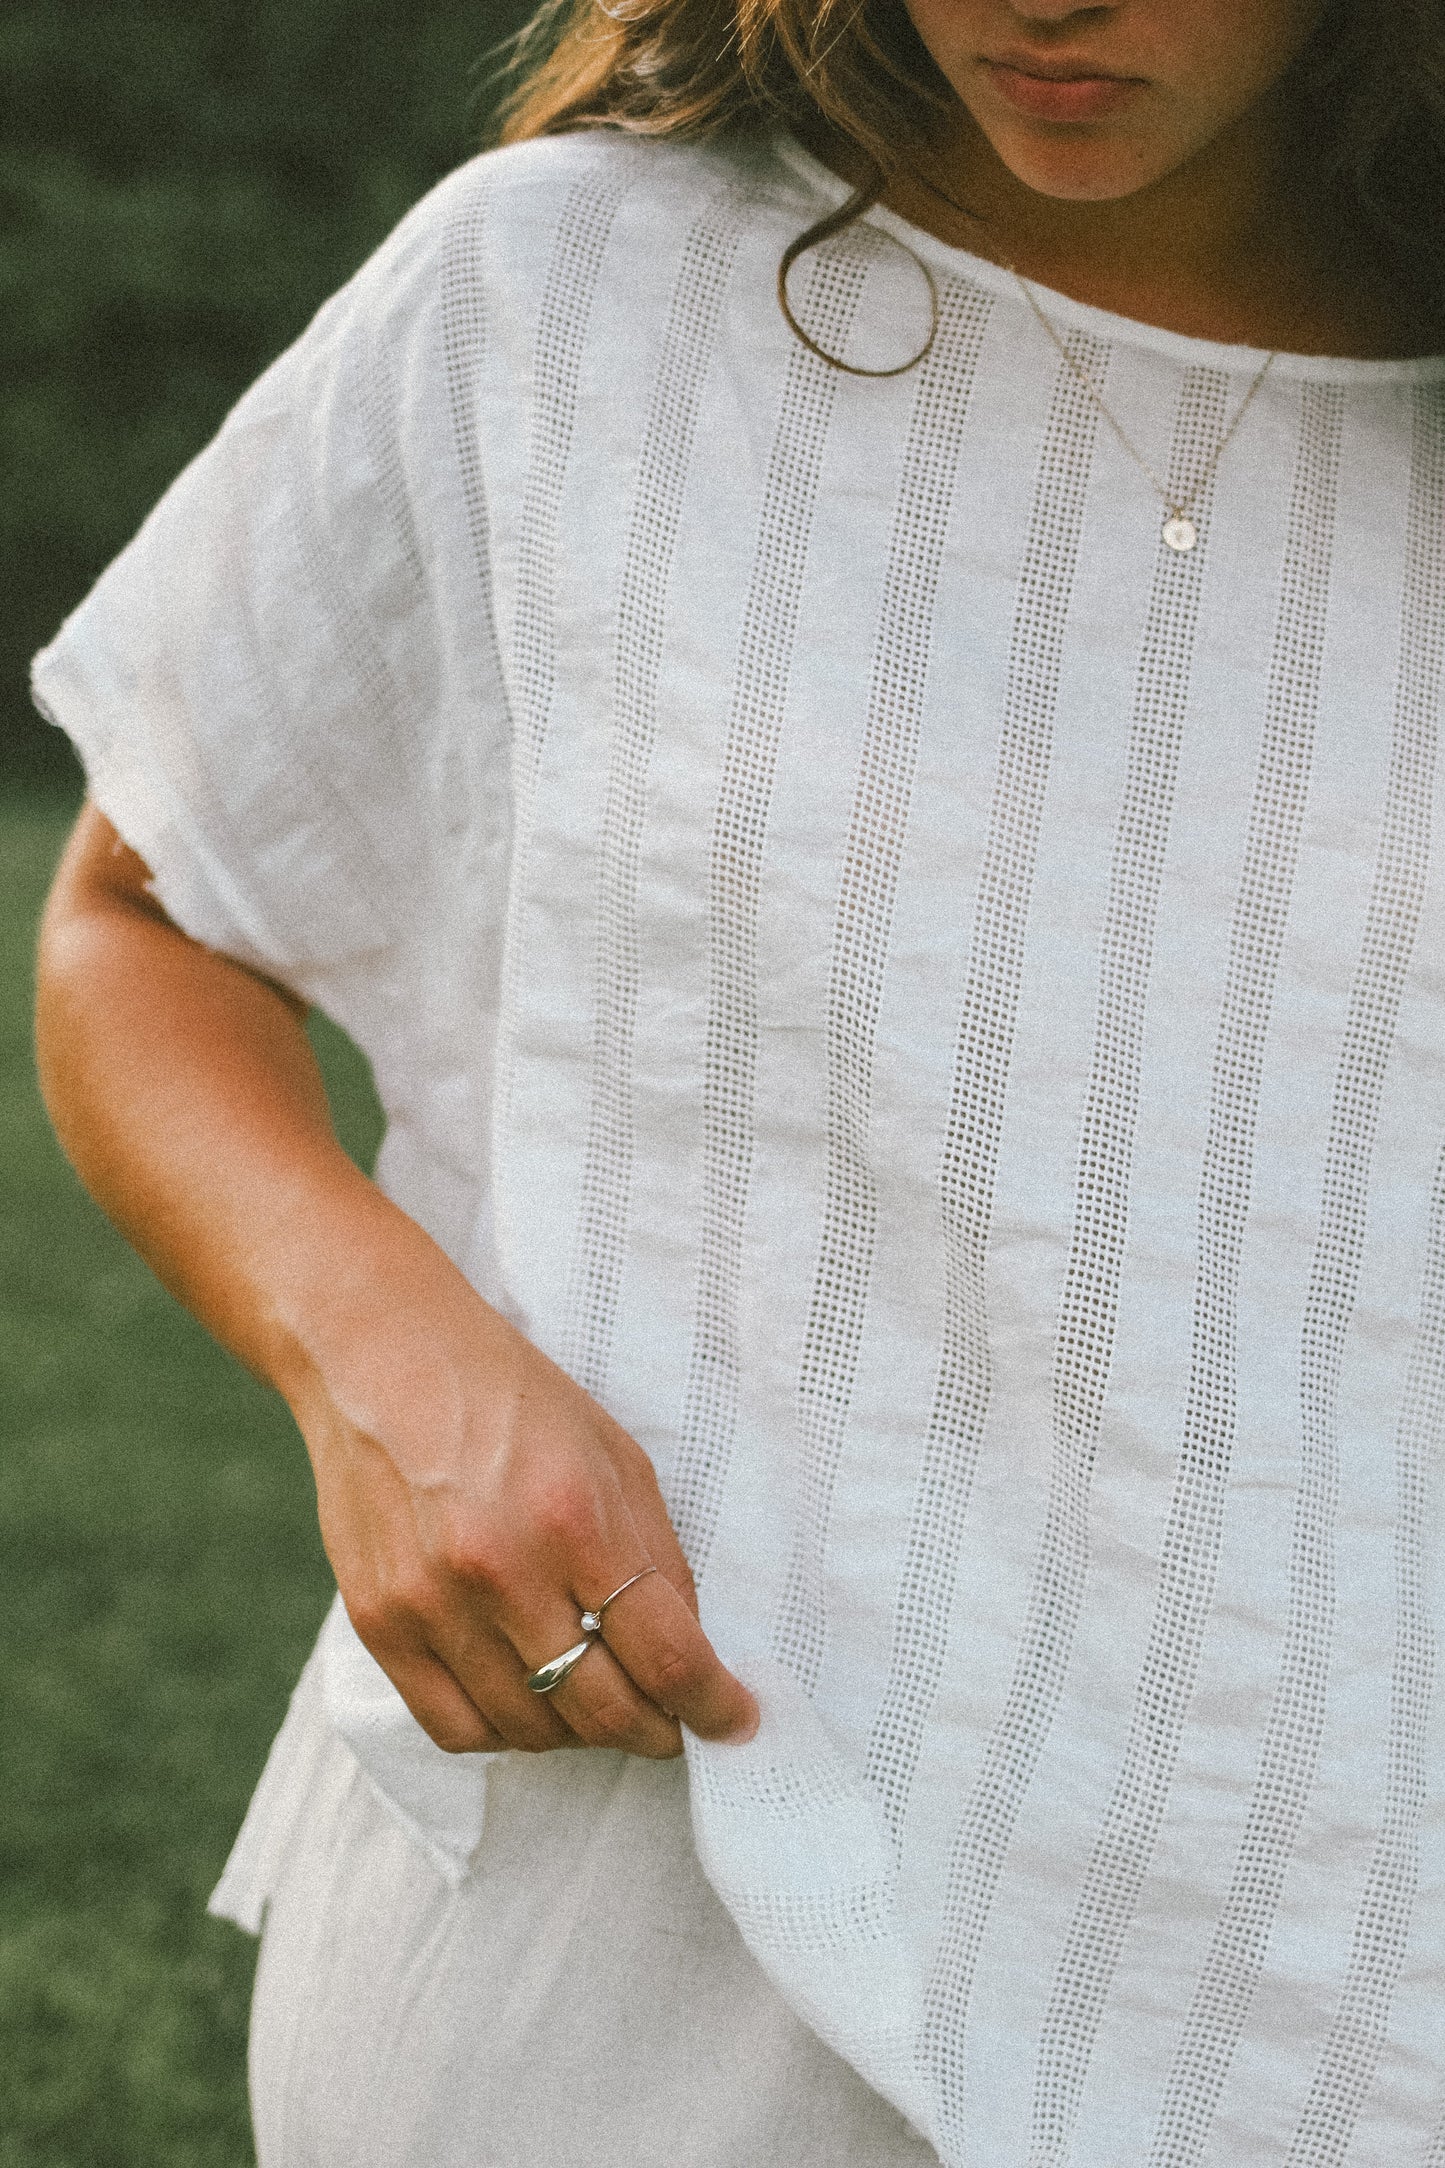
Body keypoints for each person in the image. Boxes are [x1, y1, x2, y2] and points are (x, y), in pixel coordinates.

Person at [31, 0, 1445, 2160]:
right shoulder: (563, 292)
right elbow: (149, 916)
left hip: (1337, 1986)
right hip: (624, 1950)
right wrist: (381, 1365)